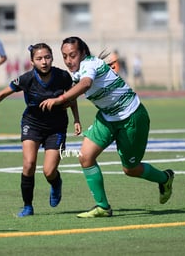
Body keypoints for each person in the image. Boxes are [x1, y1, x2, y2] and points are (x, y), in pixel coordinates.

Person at [40, 36, 174, 218]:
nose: (68, 60)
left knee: (130, 169)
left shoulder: (90, 64)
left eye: (72, 55)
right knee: (85, 157)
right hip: (107, 118)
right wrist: (72, 114)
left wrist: (60, 99)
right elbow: (75, 88)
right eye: (64, 56)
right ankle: (103, 207)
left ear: (83, 53)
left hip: (132, 117)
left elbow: (85, 84)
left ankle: (165, 178)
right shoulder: (77, 71)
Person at [0, 43, 82, 217]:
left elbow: (72, 97)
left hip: (57, 127)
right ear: (32, 62)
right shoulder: (26, 79)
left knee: (49, 171)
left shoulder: (63, 76)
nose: (44, 62)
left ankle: (55, 182)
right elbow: (1, 94)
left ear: (52, 58)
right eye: (39, 58)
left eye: (47, 57)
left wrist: (76, 119)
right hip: (32, 124)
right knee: (29, 164)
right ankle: (28, 206)